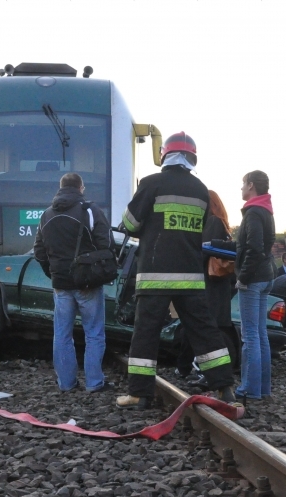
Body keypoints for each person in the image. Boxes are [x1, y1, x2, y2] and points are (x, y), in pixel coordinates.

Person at [115, 132, 238, 410]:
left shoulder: (151, 183)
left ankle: (139, 395)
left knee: (145, 333)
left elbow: (131, 224)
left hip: (154, 276)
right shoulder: (201, 190)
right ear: (192, 158)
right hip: (191, 277)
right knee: (204, 333)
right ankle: (225, 388)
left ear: (164, 155)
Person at [33, 173, 113, 392]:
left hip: (61, 285)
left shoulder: (46, 215)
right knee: (94, 333)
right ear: (81, 188)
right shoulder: (89, 210)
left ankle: (66, 383)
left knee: (62, 335)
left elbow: (39, 251)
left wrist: (53, 273)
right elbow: (105, 244)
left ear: (60, 188)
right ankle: (95, 383)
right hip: (87, 282)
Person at [175, 190, 235, 380]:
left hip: (210, 285)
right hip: (216, 286)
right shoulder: (221, 224)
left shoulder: (212, 223)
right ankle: (186, 367)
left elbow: (202, 252)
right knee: (200, 327)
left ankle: (195, 369)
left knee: (200, 327)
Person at [226, 170, 275, 400]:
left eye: (243, 183)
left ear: (252, 185)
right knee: (261, 334)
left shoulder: (254, 212)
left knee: (250, 336)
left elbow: (254, 248)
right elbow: (268, 244)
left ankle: (250, 389)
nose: (241, 188)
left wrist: (242, 277)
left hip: (253, 279)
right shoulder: (266, 210)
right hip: (265, 276)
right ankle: (263, 388)